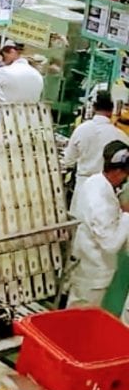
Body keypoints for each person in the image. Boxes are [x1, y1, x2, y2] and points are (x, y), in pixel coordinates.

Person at [66, 141, 129, 309]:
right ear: (117, 171)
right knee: (80, 318)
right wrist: (126, 216)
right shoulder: (101, 202)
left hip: (87, 265)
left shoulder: (94, 181)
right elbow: (110, 245)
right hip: (93, 273)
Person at [63, 91, 129, 192]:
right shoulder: (122, 137)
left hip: (82, 186)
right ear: (112, 110)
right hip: (107, 190)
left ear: (93, 107)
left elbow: (68, 160)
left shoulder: (82, 129)